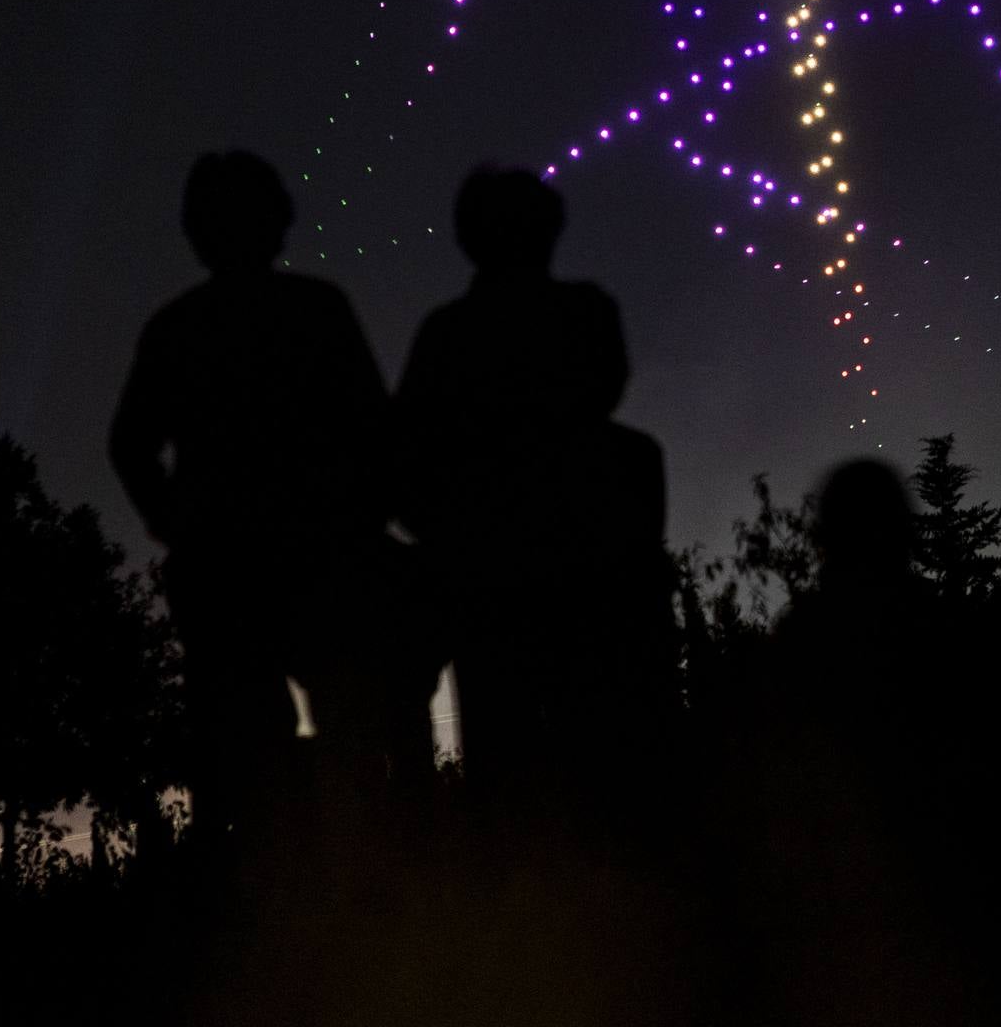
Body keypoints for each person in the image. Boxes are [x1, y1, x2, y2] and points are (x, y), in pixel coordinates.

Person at [110, 149, 390, 854]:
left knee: (252, 741)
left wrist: (176, 522)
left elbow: (128, 443)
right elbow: (375, 429)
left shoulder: (178, 329)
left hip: (233, 563)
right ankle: (356, 886)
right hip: (306, 557)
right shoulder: (316, 309)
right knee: (337, 725)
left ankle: (279, 897)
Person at [392, 165, 635, 814]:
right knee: (593, 774)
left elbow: (398, 456)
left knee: (514, 776)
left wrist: (449, 540)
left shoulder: (448, 335)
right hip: (576, 581)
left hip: (497, 583)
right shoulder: (586, 316)